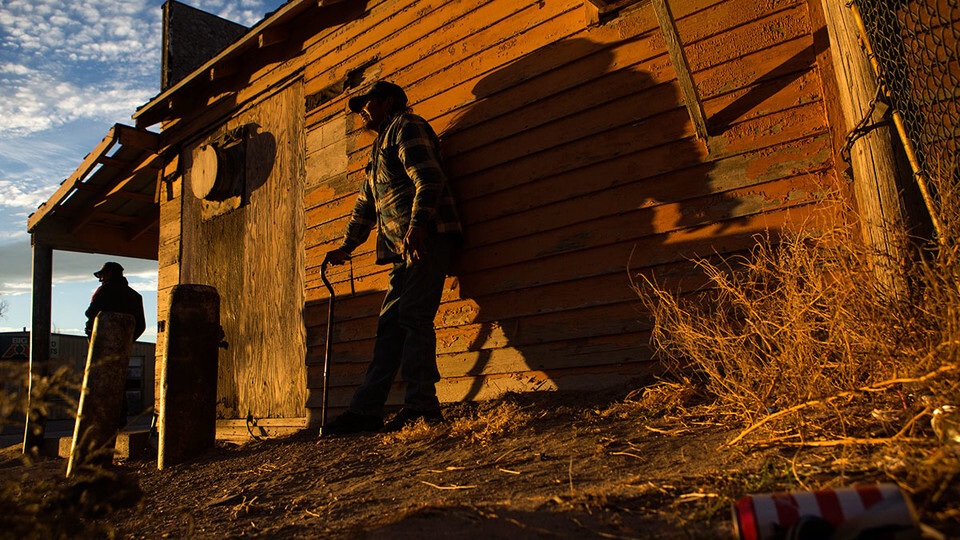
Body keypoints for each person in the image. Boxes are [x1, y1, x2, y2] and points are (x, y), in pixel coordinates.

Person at [322, 81, 462, 435]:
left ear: (387, 102)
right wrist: (345, 247)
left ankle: (422, 408)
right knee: (390, 326)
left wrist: (417, 227)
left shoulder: (406, 126)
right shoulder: (378, 148)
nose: (363, 111)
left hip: (426, 238)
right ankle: (366, 411)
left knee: (414, 317)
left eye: (367, 103)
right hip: (405, 249)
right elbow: (365, 207)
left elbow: (429, 178)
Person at [85, 261, 146, 340]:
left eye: (102, 275)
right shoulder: (136, 296)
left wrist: (91, 332)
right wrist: (128, 340)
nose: (101, 279)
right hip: (123, 344)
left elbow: (91, 312)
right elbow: (141, 326)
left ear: (109, 274)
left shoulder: (103, 291)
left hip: (100, 341)